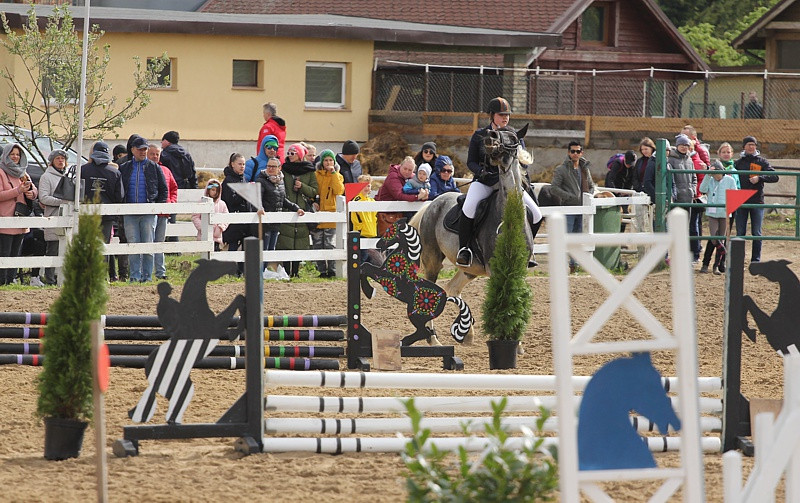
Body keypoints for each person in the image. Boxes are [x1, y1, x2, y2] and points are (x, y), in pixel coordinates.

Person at [459, 97, 542, 268]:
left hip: (509, 184)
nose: (505, 117)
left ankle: (528, 251)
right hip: (485, 182)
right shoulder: (479, 135)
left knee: (537, 214)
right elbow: (471, 162)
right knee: (468, 208)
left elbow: (523, 160)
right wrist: (481, 171)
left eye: (507, 115)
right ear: (492, 116)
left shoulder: (514, 136)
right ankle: (465, 250)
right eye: (501, 114)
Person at [119, 137, 168, 283]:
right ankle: (135, 275)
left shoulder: (154, 167)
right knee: (133, 244)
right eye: (140, 149)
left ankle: (147, 276)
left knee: (148, 243)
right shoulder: (125, 168)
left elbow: (163, 190)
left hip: (148, 212)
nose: (143, 152)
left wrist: (156, 207)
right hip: (130, 213)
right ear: (133, 149)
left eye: (144, 149)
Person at [82, 141, 126, 280]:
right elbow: (120, 196)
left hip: (86, 215)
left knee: (86, 245)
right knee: (103, 247)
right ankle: (101, 277)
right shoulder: (115, 172)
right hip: (106, 217)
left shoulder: (82, 170)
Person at [550, 141, 595, 272]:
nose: (575, 154)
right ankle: (560, 265)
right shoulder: (561, 169)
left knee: (578, 237)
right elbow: (554, 188)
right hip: (568, 209)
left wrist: (588, 197)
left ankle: (574, 264)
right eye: (573, 151)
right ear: (568, 153)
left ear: (582, 153)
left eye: (578, 151)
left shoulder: (585, 168)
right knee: (566, 237)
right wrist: (569, 197)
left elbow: (591, 186)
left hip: (582, 209)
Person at [255, 157, 303, 280]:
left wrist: (295, 208)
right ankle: (259, 272)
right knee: (264, 249)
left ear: (279, 168)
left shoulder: (281, 182)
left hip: (276, 222)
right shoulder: (261, 180)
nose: (271, 169)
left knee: (271, 249)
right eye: (269, 166)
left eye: (273, 166)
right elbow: (257, 198)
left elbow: (283, 200)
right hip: (265, 222)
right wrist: (260, 208)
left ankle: (263, 271)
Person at [277, 143, 318, 278]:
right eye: (288, 153)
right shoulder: (284, 170)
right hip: (286, 208)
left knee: (300, 239)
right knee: (285, 239)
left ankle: (296, 271)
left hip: (302, 209)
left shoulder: (310, 171)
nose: (289, 156)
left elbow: (314, 191)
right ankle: (286, 270)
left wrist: (302, 187)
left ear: (300, 155)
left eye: (293, 153)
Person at [734, 136, 778, 263]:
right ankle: (738, 259)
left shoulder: (762, 162)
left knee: (756, 233)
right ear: (744, 146)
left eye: (753, 144)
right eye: (748, 144)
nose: (751, 147)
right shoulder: (738, 163)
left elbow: (775, 176)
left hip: (757, 200)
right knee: (740, 232)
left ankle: (756, 260)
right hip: (740, 200)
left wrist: (760, 177)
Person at [0, 143, 37, 285]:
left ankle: (11, 280)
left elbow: (34, 191)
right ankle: (2, 282)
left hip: (21, 219)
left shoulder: (23, 173)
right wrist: (18, 191)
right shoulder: (1, 172)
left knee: (16, 254)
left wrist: (30, 193)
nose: (15, 157)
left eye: (17, 154)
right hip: (5, 221)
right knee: (5, 253)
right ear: (6, 155)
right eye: (12, 154)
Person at [36, 149, 71, 285]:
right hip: (54, 217)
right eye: (58, 158)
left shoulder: (69, 176)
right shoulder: (46, 177)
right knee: (53, 249)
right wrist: (61, 202)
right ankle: (50, 279)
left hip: (67, 217)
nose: (61, 161)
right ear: (52, 161)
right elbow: (44, 198)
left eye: (62, 158)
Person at [698, 161, 737, 275]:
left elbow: (734, 194)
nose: (715, 176)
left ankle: (716, 265)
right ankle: (719, 256)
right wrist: (707, 175)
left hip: (724, 213)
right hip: (712, 213)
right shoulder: (710, 180)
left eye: (717, 173)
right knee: (714, 238)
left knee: (721, 237)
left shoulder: (730, 180)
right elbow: (702, 189)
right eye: (713, 174)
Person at [221, 153, 256, 276]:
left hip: (245, 219)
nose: (242, 167)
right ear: (232, 164)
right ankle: (232, 271)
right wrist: (245, 192)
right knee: (233, 245)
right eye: (240, 164)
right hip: (234, 219)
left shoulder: (243, 179)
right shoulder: (228, 181)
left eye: (244, 164)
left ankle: (242, 271)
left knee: (245, 246)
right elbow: (231, 200)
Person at [311, 149, 344, 278]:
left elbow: (339, 190)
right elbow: (313, 191)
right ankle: (322, 271)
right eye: (326, 160)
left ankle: (332, 270)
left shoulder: (339, 176)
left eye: (331, 160)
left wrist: (334, 173)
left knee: (330, 244)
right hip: (318, 214)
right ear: (322, 162)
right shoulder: (315, 175)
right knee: (318, 244)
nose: (328, 162)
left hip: (331, 214)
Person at [375, 156, 426, 237]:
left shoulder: (413, 178)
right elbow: (398, 195)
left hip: (401, 212)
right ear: (400, 166)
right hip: (386, 211)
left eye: (410, 170)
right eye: (405, 168)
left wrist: (424, 196)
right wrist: (417, 197)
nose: (407, 172)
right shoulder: (393, 176)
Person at [148, 144, 178, 280]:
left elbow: (173, 189)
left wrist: (171, 203)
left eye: (157, 154)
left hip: (163, 213)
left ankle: (160, 272)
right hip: (148, 213)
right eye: (152, 154)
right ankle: (146, 272)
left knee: (159, 242)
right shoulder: (144, 169)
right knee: (147, 242)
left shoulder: (166, 170)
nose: (155, 156)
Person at [192, 178, 228, 252]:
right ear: (208, 190)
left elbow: (226, 218)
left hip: (216, 238)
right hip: (204, 236)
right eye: (213, 190)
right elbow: (195, 217)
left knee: (216, 257)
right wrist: (203, 227)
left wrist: (220, 227)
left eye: (217, 190)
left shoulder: (222, 204)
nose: (215, 192)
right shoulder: (201, 202)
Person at [351, 174, 377, 263]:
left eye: (368, 185)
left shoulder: (372, 201)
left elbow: (375, 217)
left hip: (371, 231)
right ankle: (358, 274)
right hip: (362, 232)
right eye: (364, 185)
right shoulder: (357, 200)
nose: (366, 188)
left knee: (370, 256)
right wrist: (359, 227)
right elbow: (354, 216)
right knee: (363, 255)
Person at [643, 139, 671, 204]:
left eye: (667, 150)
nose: (666, 152)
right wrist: (656, 197)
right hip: (658, 199)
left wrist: (672, 195)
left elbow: (672, 182)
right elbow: (647, 182)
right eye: (664, 150)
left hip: (666, 198)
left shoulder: (667, 163)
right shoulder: (652, 163)